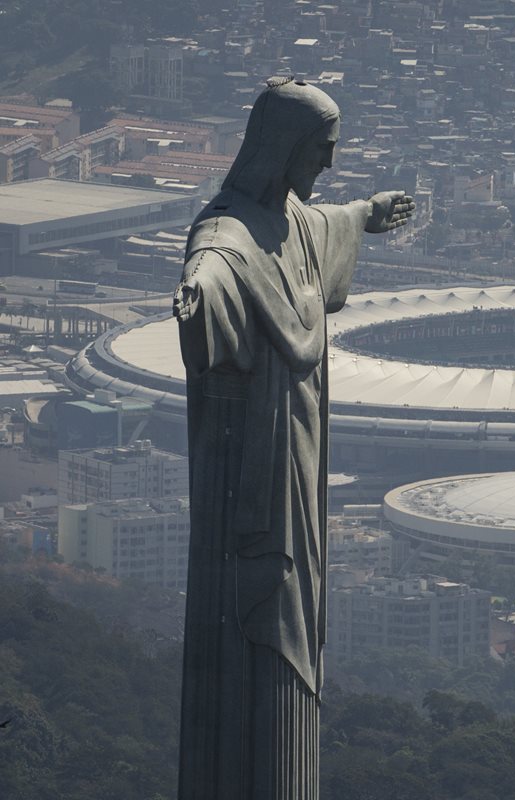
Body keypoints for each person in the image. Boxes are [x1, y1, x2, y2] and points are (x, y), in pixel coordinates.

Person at [173, 77, 414, 799]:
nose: (329, 167)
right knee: (264, 609)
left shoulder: (297, 222)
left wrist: (367, 215)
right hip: (254, 469)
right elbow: (211, 269)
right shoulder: (228, 237)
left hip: (301, 460)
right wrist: (199, 296)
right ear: (282, 148)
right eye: (321, 151)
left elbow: (325, 222)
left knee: (298, 607)